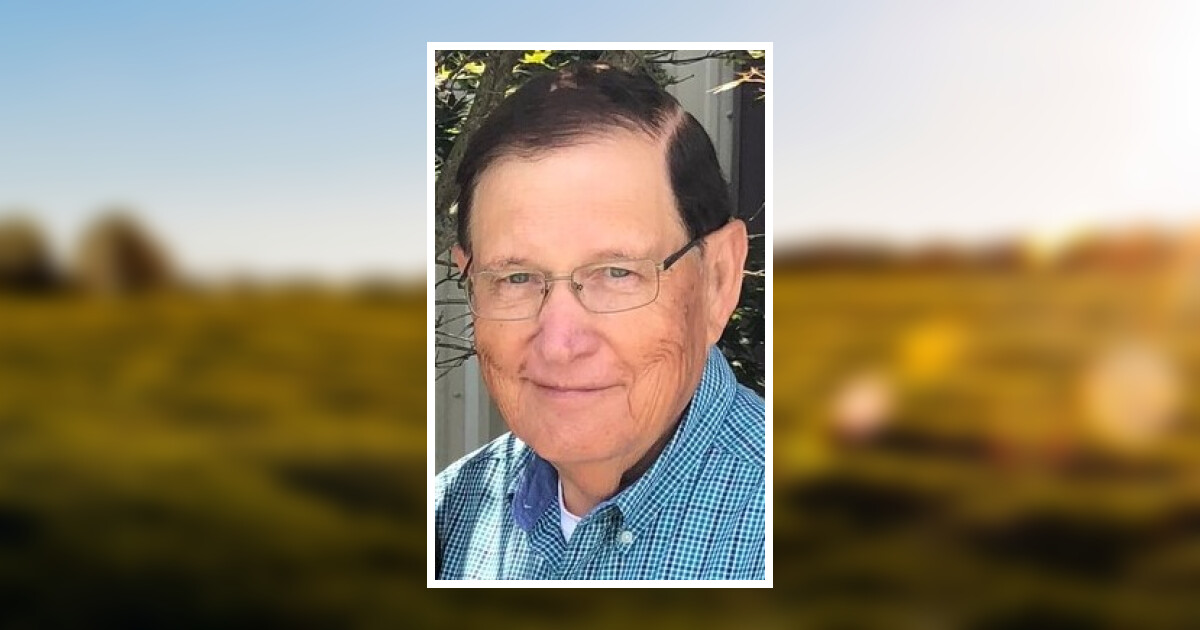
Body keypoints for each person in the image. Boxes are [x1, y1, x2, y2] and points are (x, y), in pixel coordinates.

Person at [435, 61, 765, 580]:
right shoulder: (449, 517)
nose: (559, 344)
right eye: (516, 278)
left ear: (718, 279)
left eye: (617, 273)